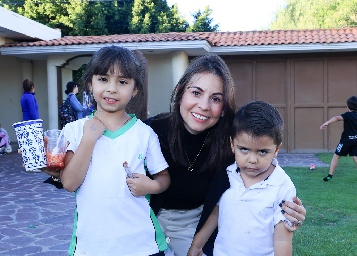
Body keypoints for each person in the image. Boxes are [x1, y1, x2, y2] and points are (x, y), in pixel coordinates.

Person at [145, 55, 306, 256]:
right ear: (179, 92)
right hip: (145, 221)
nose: (204, 105)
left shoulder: (230, 144)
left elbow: (263, 173)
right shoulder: (149, 132)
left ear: (224, 108)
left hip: (194, 226)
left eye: (216, 99)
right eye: (196, 92)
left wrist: (289, 213)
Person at [58, 46, 171, 256]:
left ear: (134, 89)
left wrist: (151, 185)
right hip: (90, 247)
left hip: (142, 246)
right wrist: (89, 138)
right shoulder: (73, 130)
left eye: (123, 82)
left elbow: (164, 178)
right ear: (90, 84)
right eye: (103, 79)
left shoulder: (145, 134)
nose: (112, 88)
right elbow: (69, 183)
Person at [188, 101, 296, 256]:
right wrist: (196, 247)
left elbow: (282, 240)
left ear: (276, 150)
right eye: (244, 149)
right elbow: (215, 214)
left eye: (263, 152)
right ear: (232, 144)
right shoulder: (227, 175)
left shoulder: (283, 187)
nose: (252, 159)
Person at [320, 96, 357, 182]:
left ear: (348, 106)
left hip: (345, 141)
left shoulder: (347, 115)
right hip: (356, 140)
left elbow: (337, 118)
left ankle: (330, 175)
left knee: (336, 156)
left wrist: (326, 123)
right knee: (356, 158)